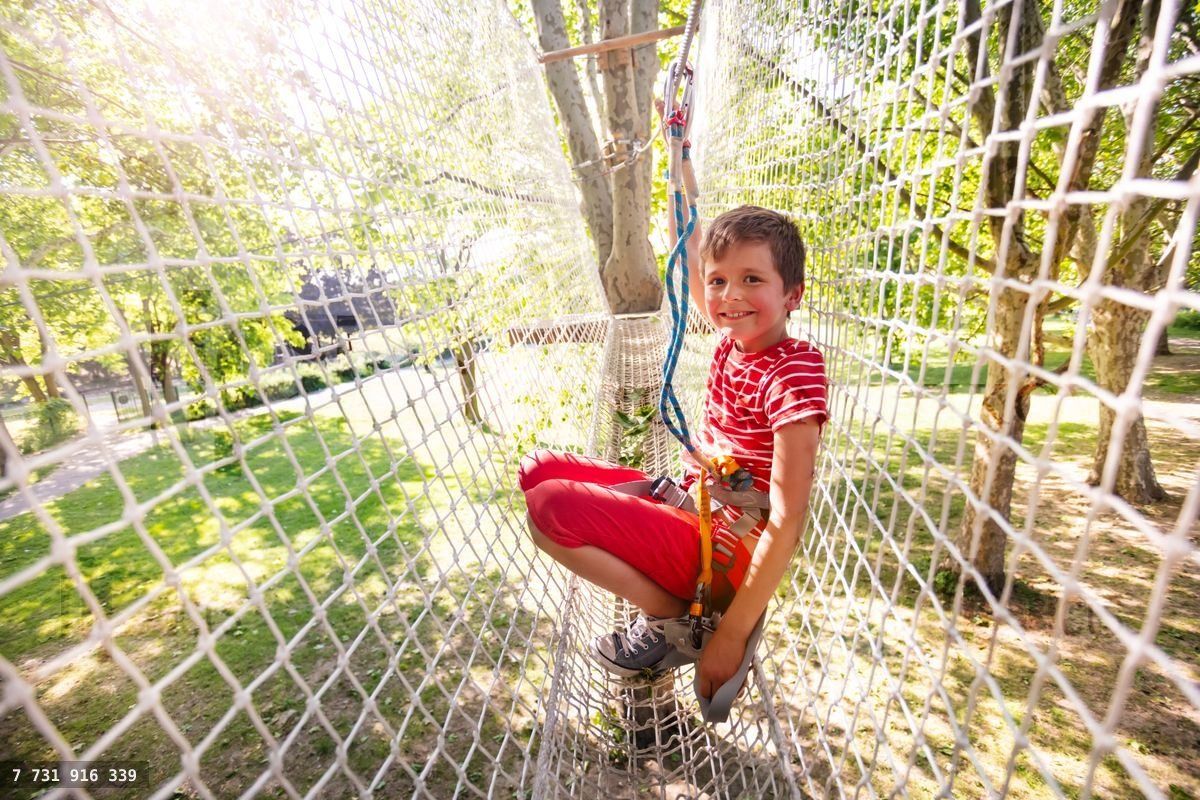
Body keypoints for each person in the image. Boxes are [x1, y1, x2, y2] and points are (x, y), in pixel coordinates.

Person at [518, 204, 826, 701]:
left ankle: (674, 620)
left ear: (793, 295)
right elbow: (688, 253)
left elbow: (788, 521)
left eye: (752, 279)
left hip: (727, 552)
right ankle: (676, 604)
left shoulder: (792, 374)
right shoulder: (734, 337)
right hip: (695, 507)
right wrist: (679, 154)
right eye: (720, 282)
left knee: (548, 510)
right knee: (537, 472)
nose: (730, 296)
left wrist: (730, 636)